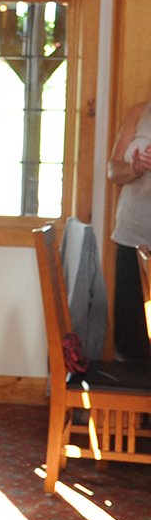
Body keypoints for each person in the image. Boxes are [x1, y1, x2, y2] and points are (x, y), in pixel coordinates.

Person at [108, 100, 151, 359]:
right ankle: (130, 396)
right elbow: (113, 170)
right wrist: (135, 169)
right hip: (132, 236)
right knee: (130, 331)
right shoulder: (139, 111)